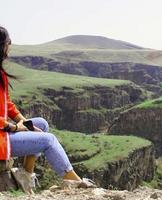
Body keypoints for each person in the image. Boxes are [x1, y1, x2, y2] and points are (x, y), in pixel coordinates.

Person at [0, 26, 95, 194]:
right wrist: (14, 127)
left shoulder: (1, 74)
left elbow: (6, 103)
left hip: (4, 131)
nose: (10, 46)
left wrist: (24, 121)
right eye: (9, 43)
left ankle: (25, 175)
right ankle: (75, 182)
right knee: (48, 140)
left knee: (41, 124)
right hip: (2, 137)